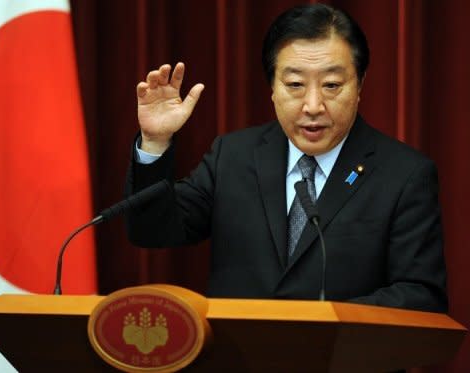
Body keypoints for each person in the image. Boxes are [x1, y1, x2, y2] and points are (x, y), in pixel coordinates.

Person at [125, 3, 447, 312]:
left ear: (360, 85)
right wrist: (155, 141)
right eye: (295, 84)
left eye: (332, 85)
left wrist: (326, 324)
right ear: (272, 89)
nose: (313, 105)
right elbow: (152, 230)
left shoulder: (403, 174)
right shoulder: (233, 157)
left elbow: (421, 295)